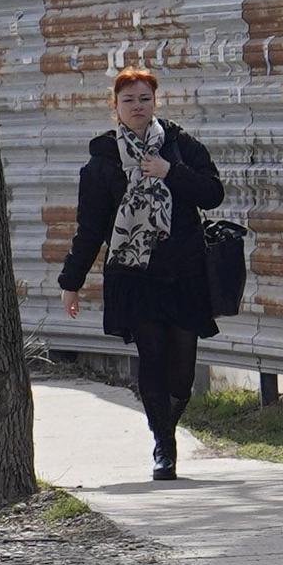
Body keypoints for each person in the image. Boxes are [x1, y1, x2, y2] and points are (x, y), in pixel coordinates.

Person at [58, 57, 230, 483]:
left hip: (183, 271)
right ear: (114, 105)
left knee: (183, 374)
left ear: (155, 102)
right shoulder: (102, 160)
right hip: (134, 275)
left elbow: (212, 194)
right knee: (151, 358)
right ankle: (164, 447)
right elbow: (91, 227)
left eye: (145, 98)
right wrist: (71, 282)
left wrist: (171, 173)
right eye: (128, 99)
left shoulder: (179, 145)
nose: (137, 106)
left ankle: (165, 426)